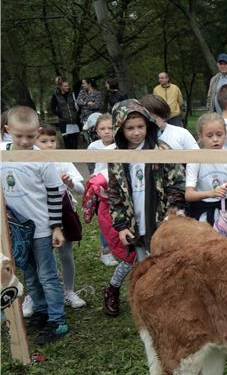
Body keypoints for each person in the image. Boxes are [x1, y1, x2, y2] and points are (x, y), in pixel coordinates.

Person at [104, 99, 185, 316]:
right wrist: (121, 225)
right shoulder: (116, 156)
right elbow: (114, 193)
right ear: (120, 129)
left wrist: (173, 212)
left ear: (148, 125)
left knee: (165, 263)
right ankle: (151, 308)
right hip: (134, 221)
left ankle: (169, 306)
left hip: (160, 220)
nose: (136, 132)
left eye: (141, 127)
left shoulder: (162, 150)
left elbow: (176, 183)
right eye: (130, 128)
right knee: (144, 266)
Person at [1, 106, 68, 345]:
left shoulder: (42, 158)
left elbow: (53, 193)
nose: (25, 141)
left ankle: (57, 319)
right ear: (8, 130)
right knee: (28, 273)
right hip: (14, 230)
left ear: (37, 132)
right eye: (19, 136)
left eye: (30, 136)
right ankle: (40, 310)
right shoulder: (2, 153)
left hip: (40, 228)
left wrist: (56, 227)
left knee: (47, 274)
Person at [34, 125, 86, 310]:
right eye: (43, 141)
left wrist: (70, 182)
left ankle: (69, 291)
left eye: (52, 141)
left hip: (63, 212)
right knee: (41, 257)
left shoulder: (61, 161)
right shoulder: (29, 161)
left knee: (66, 254)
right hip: (39, 213)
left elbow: (81, 188)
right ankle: (35, 296)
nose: (49, 145)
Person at [185, 113, 227, 230]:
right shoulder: (195, 158)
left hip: (226, 211)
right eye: (209, 136)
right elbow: (189, 194)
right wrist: (211, 193)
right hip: (201, 213)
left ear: (226, 134)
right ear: (201, 136)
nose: (215, 139)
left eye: (219, 135)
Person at [86, 113, 118, 266]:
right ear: (97, 131)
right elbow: (91, 166)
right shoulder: (93, 146)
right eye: (102, 128)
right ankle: (106, 251)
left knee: (119, 218)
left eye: (110, 128)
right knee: (105, 221)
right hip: (100, 189)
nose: (107, 131)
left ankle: (121, 247)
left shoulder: (120, 145)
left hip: (117, 187)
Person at [49, 77, 80, 149]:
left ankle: (76, 159)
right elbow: (53, 109)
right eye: (65, 86)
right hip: (64, 123)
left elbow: (77, 106)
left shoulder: (72, 94)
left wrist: (76, 114)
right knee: (67, 143)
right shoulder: (55, 96)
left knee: (75, 143)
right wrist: (61, 115)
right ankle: (69, 160)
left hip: (74, 121)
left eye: (68, 85)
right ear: (60, 87)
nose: (67, 87)